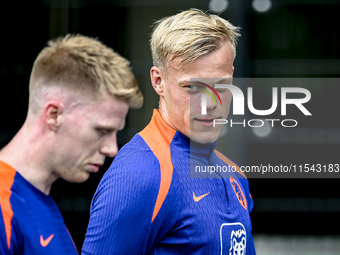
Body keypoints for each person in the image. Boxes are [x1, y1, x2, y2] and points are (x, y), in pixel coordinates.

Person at [82, 9, 256, 255]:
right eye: (192, 87)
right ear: (158, 81)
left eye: (221, 85)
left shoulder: (235, 176)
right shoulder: (139, 174)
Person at [0, 34, 143, 255]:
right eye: (102, 130)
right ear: (54, 115)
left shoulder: (38, 201)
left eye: (115, 132)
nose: (112, 149)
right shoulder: (3, 206)